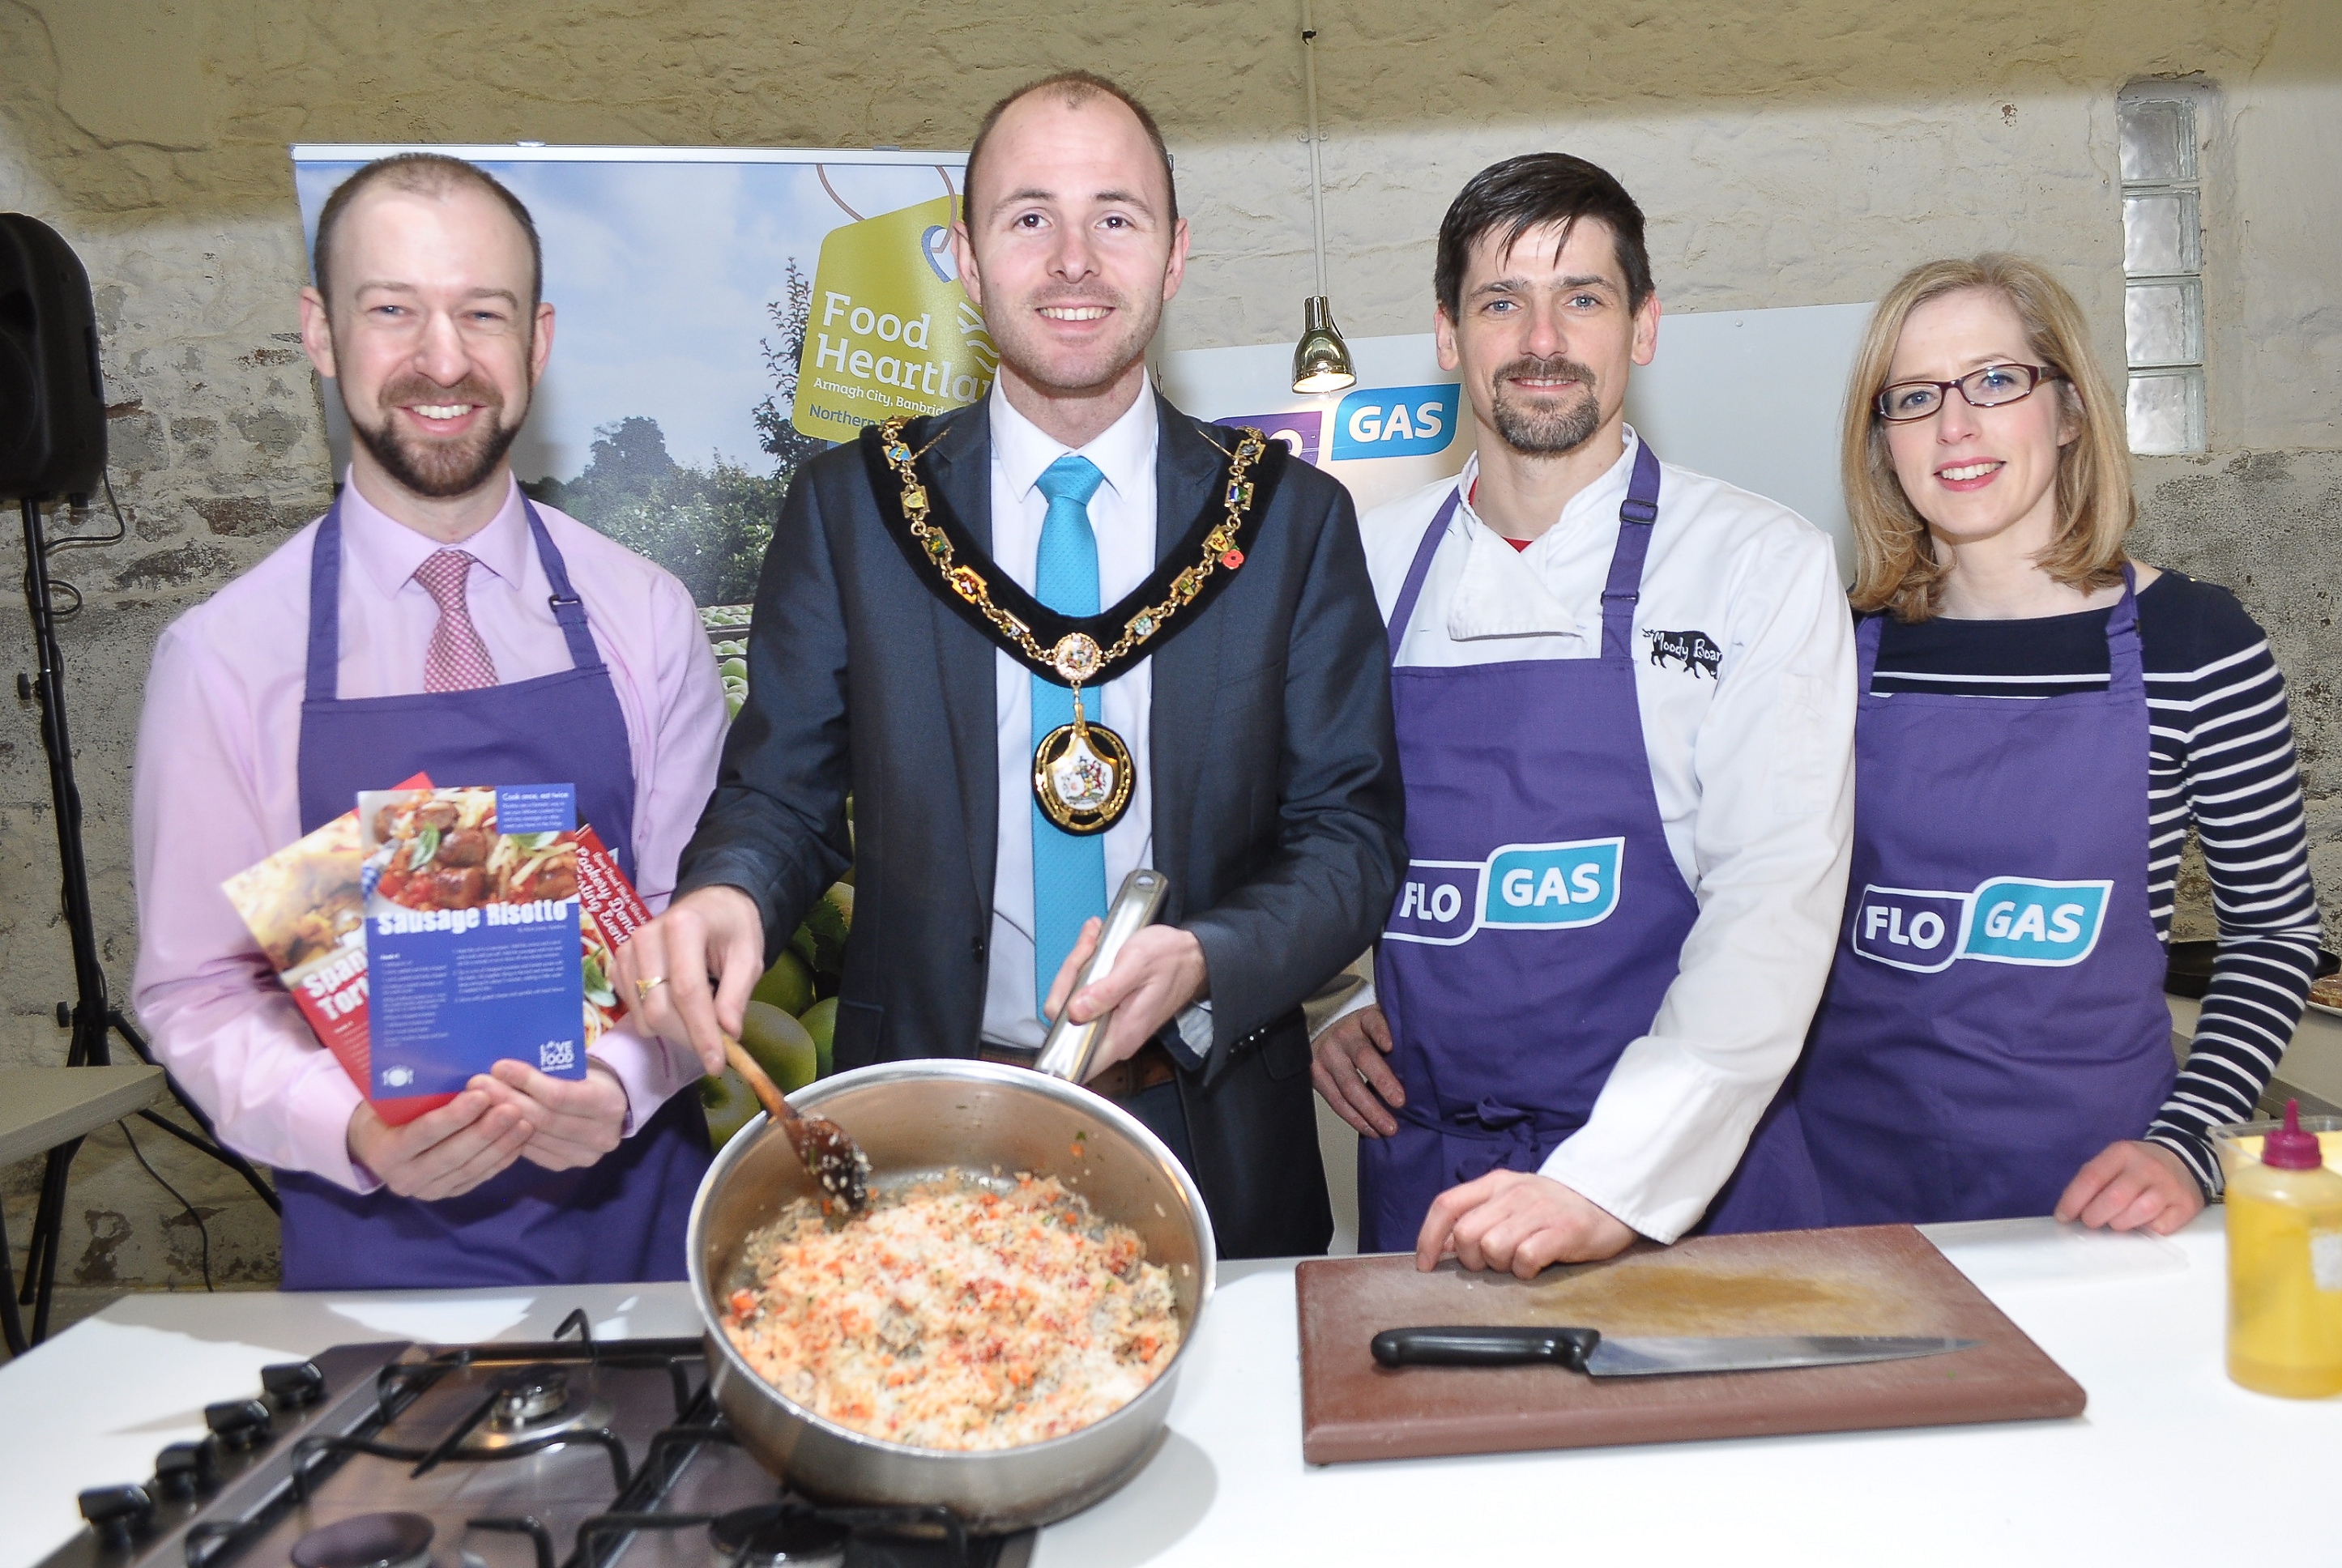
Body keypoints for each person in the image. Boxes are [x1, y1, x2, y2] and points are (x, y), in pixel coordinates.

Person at [621, 72, 1402, 1259]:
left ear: (1175, 254)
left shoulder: (1290, 521)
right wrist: (728, 890)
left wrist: (1208, 958)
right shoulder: (855, 510)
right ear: (967, 259)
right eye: (1030, 216)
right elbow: (778, 793)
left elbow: (1351, 837)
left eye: (1117, 217)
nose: (1075, 258)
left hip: (1211, 1135)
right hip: (929, 1140)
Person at [130, 154, 727, 1288]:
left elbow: (678, 923)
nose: (441, 360)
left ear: (538, 341)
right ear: (320, 331)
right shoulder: (223, 657)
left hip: (643, 1256)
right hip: (372, 1283)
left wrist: (620, 1087)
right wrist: (344, 1126)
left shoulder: (646, 617)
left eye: (481, 314)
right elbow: (195, 992)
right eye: (392, 310)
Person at [1311, 153, 1857, 1278]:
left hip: (1687, 1179)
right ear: (1450, 338)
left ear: (1643, 329)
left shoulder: (1759, 565)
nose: (1542, 339)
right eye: (1501, 301)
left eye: (1585, 299)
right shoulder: (1360, 564)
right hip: (1433, 1175)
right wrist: (1330, 993)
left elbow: (1774, 901)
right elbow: (1301, 825)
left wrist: (1610, 1179)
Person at [1704, 254, 2321, 1234]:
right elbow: (1733, 902)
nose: (1956, 426)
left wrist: (2187, 1141)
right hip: (1839, 1191)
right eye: (1914, 398)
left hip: (2096, 1198)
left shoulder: (2194, 643)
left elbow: (2275, 935)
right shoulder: (1823, 642)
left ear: (2070, 409)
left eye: (1996, 381)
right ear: (1883, 442)